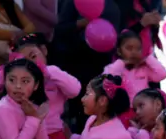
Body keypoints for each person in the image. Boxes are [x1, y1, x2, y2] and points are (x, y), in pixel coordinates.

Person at [51, 0, 120, 132]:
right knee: (80, 109)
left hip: (102, 65)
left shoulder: (112, 5)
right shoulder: (73, 3)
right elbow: (60, 30)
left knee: (101, 108)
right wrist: (80, 24)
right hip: (76, 63)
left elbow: (116, 34)